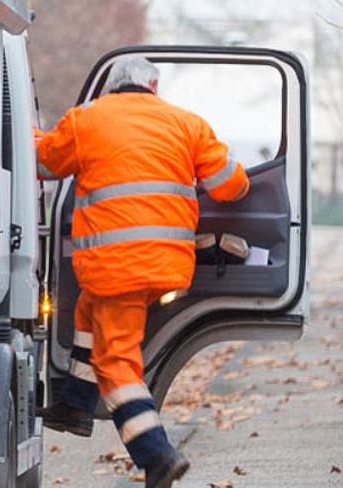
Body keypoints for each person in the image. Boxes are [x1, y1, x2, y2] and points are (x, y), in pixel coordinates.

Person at [34, 57, 250, 488]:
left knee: (117, 362)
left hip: (116, 266)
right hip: (168, 267)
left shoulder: (86, 120)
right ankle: (75, 405)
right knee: (87, 312)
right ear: (153, 85)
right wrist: (242, 182)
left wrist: (28, 132)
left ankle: (157, 455)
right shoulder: (187, 123)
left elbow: (43, 163)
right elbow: (230, 185)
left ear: (110, 87)